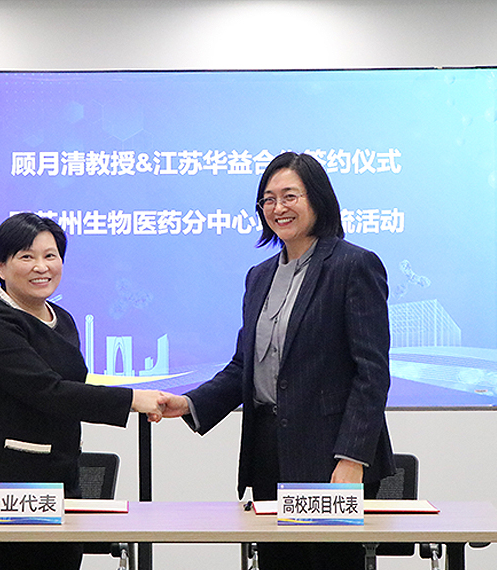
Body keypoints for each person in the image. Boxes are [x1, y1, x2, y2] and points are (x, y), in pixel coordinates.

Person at [160, 152, 396, 570]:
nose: (278, 208)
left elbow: (371, 373)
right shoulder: (259, 276)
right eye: (268, 199)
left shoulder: (353, 265)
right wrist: (191, 403)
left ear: (317, 199)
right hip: (269, 452)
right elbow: (244, 367)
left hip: (331, 455)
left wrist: (352, 458)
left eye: (290, 196)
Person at [0, 213, 167, 570]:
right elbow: (48, 392)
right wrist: (131, 399)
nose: (41, 267)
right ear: (0, 266)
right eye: (27, 256)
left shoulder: (62, 318)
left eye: (50, 256)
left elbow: (71, 389)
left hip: (62, 479)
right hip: (8, 485)